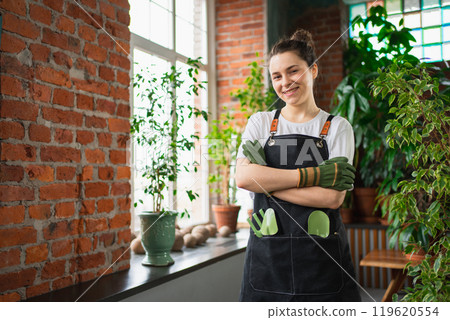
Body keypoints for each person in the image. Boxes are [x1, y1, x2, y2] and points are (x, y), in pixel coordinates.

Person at [235, 29, 362, 302]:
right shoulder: (260, 123)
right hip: (267, 262)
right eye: (277, 76)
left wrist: (267, 184)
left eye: (293, 71)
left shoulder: (338, 128)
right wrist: (314, 175)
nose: (285, 83)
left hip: (322, 262)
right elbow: (243, 178)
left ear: (313, 70)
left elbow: (331, 197)